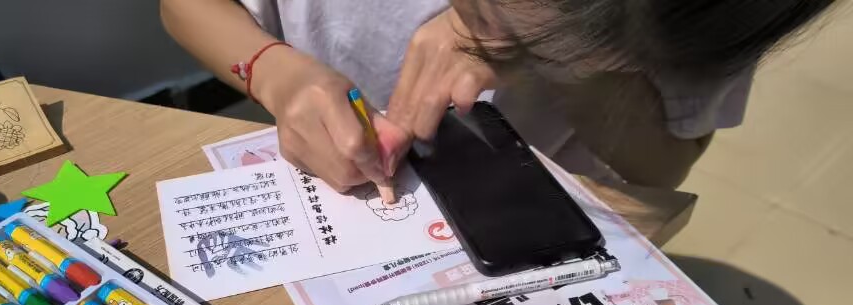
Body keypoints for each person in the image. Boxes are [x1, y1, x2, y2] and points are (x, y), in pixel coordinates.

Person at [160, 0, 834, 190]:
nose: (483, 40)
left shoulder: (707, 20)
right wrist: (274, 72)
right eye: (483, 12)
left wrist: (574, 74)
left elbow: (663, 168)